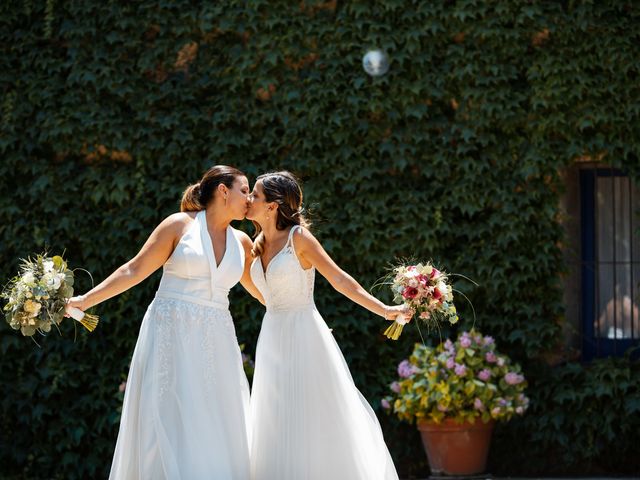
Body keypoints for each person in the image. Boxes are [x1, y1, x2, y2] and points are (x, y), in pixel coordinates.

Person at [67, 165, 263, 480]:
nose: (250, 198)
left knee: (216, 422)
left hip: (217, 343)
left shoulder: (241, 242)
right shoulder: (178, 226)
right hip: (170, 335)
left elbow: (262, 293)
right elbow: (133, 270)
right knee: (170, 419)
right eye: (244, 190)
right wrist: (84, 300)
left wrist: (299, 316)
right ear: (222, 191)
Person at [246, 171, 407, 480]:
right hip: (271, 338)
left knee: (309, 416)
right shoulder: (258, 243)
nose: (249, 200)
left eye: (255, 194)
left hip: (304, 335)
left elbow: (339, 279)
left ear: (273, 206)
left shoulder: (299, 239)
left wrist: (385, 310)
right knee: (274, 417)